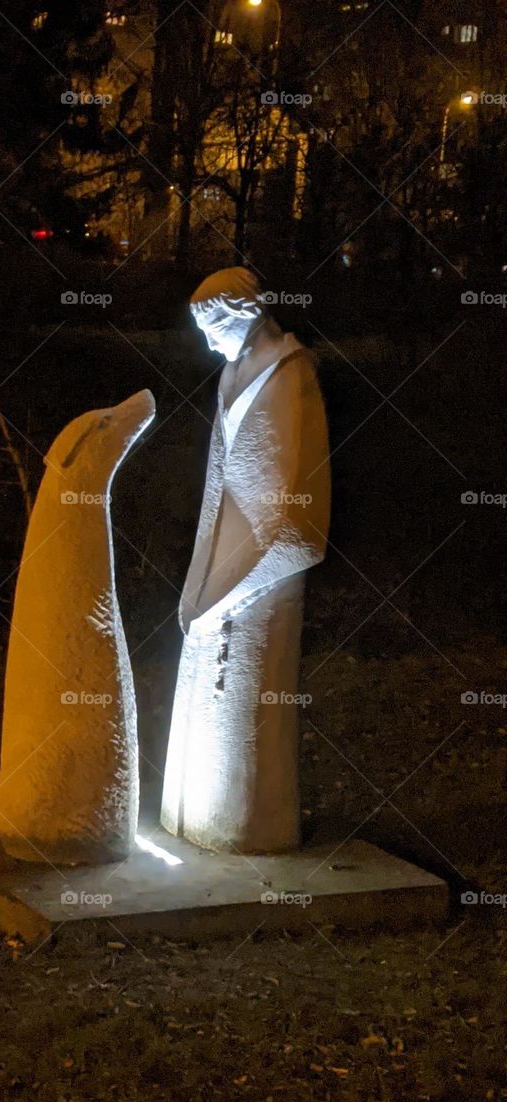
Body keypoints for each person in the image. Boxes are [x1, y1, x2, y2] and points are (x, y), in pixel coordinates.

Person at [160, 267, 331, 854]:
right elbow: (218, 483)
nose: (208, 345)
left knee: (245, 702)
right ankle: (193, 822)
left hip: (261, 568)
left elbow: (297, 510)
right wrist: (200, 584)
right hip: (221, 559)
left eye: (213, 329)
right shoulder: (231, 374)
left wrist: (238, 585)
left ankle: (243, 829)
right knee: (202, 691)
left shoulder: (292, 374)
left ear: (246, 315)